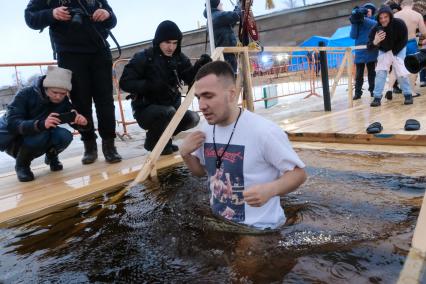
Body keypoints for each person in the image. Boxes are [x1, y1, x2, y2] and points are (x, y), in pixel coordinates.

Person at [179, 61, 307, 229]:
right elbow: (202, 172)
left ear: (232, 94)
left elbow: (298, 174)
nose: (201, 106)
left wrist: (271, 189)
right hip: (220, 220)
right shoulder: (206, 129)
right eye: (198, 97)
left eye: (208, 96)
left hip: (259, 227)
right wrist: (185, 154)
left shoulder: (263, 132)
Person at [25, 0, 122, 165]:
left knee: (105, 101)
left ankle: (109, 146)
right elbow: (30, 18)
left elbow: (112, 20)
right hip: (69, 54)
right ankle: (89, 145)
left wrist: (107, 15)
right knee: (80, 102)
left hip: (99, 51)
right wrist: (51, 13)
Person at [119, 21, 211, 155]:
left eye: (175, 43)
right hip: (146, 110)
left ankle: (163, 141)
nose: (171, 47)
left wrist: (200, 66)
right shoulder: (144, 57)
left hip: (172, 108)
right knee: (168, 112)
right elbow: (124, 83)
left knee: (193, 118)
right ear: (158, 41)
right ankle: (153, 141)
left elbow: (190, 78)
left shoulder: (178, 58)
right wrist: (149, 85)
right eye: (167, 42)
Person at [0, 66, 88, 182]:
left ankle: (52, 157)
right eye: (54, 92)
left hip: (42, 133)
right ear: (45, 87)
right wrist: (41, 124)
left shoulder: (63, 100)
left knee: (65, 136)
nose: (58, 97)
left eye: (63, 93)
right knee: (41, 134)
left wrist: (82, 123)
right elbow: (12, 123)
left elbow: (72, 118)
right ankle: (22, 166)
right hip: (15, 139)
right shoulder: (25, 94)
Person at [367, 5, 413, 107]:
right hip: (384, 50)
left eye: (385, 17)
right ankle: (377, 97)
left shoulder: (399, 23)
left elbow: (404, 39)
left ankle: (408, 94)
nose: (383, 20)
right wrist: (375, 42)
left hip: (399, 49)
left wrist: (394, 53)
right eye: (381, 18)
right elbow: (369, 46)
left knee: (400, 70)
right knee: (380, 72)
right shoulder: (375, 28)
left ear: (390, 16)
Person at [394, 0, 426, 96]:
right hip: (411, 42)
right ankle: (411, 91)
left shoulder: (395, 16)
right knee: (414, 67)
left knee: (400, 66)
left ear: (402, 5)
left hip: (398, 44)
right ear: (412, 5)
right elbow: (424, 32)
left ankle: (404, 89)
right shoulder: (417, 15)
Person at [203, 0, 241, 73]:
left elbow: (232, 19)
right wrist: (240, 4)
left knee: (230, 76)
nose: (222, 4)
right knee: (230, 76)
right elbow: (236, 15)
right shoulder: (218, 16)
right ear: (216, 5)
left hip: (225, 53)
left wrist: (237, 7)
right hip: (226, 53)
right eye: (220, 3)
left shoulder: (213, 17)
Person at [350, 4, 378, 100]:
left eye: (369, 11)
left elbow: (375, 25)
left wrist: (364, 19)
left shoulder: (373, 21)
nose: (368, 12)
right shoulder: (357, 22)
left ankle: (372, 91)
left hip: (370, 48)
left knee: (371, 72)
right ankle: (358, 93)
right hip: (360, 50)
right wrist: (354, 23)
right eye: (367, 11)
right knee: (359, 74)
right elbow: (353, 35)